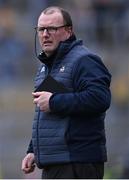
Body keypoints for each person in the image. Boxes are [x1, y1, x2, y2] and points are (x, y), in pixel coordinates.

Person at [22, 6, 111, 179]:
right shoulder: (45, 67)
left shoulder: (84, 60)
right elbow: (48, 117)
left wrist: (54, 101)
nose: (45, 34)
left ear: (68, 31)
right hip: (54, 163)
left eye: (52, 29)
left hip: (77, 162)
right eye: (41, 29)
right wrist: (34, 151)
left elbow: (100, 99)